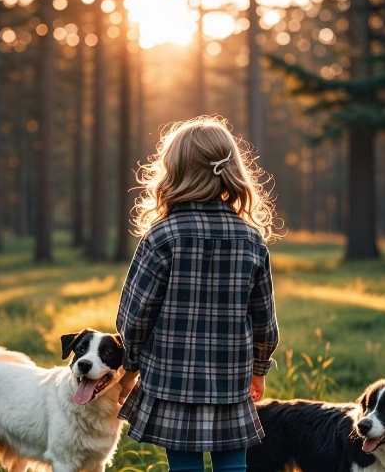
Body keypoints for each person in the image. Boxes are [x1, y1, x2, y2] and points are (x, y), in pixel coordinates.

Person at [116, 116, 280, 472]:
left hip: (172, 378)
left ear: (175, 171)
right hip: (231, 379)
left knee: (184, 465)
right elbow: (264, 320)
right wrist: (259, 370)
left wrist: (130, 366)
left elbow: (134, 316)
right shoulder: (250, 239)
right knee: (233, 464)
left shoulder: (162, 236)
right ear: (230, 170)